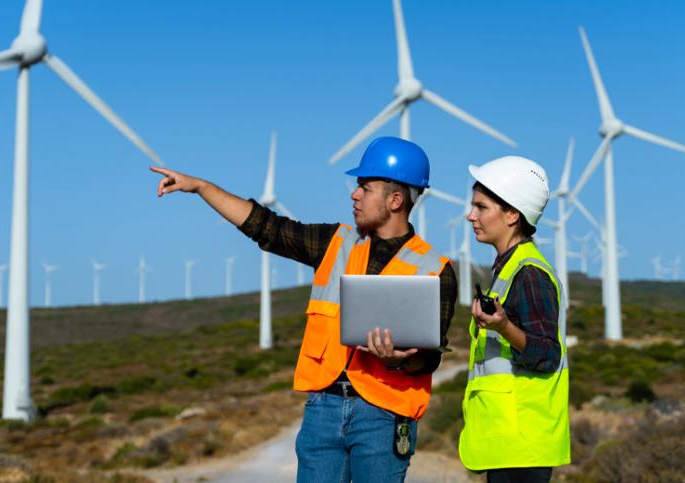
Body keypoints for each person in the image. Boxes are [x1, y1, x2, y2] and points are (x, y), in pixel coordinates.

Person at [151, 136, 457, 482]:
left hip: (384, 416)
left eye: (365, 187)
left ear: (396, 200)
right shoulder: (334, 242)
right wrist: (201, 188)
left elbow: (430, 357)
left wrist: (397, 359)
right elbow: (265, 227)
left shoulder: (435, 268)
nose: (354, 194)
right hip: (322, 411)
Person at [457, 155, 570, 483]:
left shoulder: (530, 274)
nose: (470, 216)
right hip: (509, 441)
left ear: (512, 214)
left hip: (522, 443)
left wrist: (503, 327)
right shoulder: (509, 268)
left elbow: (547, 354)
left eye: (481, 207)